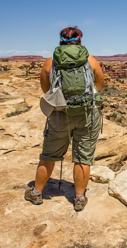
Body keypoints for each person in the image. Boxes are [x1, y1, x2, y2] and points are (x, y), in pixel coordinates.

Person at [25, 27, 104, 211]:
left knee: (48, 156)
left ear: (60, 40)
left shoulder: (50, 62)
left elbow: (46, 90)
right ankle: (79, 198)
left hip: (59, 115)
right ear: (80, 39)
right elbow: (99, 85)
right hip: (87, 115)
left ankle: (36, 193)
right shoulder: (90, 60)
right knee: (82, 158)